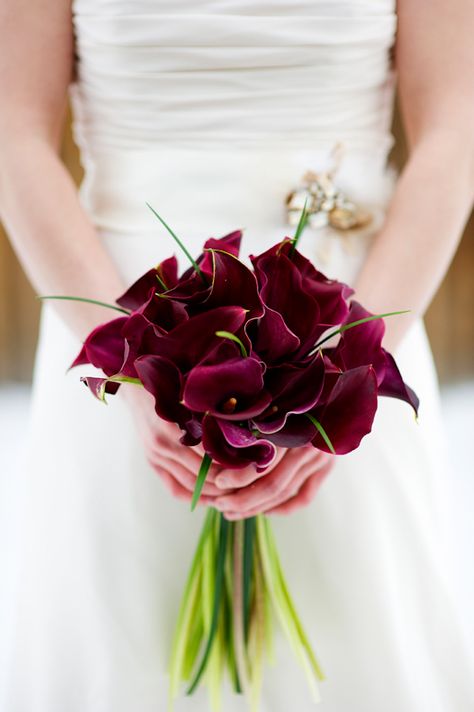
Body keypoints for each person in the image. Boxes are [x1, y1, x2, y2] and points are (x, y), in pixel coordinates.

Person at [0, 1, 473, 710]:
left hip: (348, 321)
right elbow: (14, 133)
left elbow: (454, 129)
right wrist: (131, 371)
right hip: (112, 316)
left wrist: (348, 377)